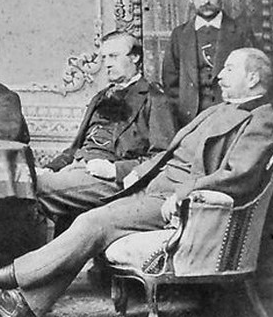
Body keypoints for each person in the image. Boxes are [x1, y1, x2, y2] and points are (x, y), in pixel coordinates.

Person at [0, 48, 273, 317]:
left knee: (93, 222)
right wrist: (138, 174)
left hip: (176, 199)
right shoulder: (218, 109)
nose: (219, 75)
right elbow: (168, 155)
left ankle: (9, 275)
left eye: (229, 69)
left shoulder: (261, 120)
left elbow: (237, 175)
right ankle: (24, 304)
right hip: (152, 185)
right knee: (92, 223)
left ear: (253, 78)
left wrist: (183, 193)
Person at [36, 31, 177, 221]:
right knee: (21, 184)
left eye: (114, 56)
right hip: (76, 169)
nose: (107, 64)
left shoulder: (155, 98)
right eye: (104, 58)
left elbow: (163, 155)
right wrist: (51, 168)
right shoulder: (101, 97)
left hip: (109, 178)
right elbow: (76, 147)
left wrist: (115, 170)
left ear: (135, 57)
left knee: (30, 189)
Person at [162, 0, 255, 125]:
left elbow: (254, 78)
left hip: (231, 119)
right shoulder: (179, 35)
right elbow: (170, 84)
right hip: (190, 122)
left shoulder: (241, 32)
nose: (205, 0)